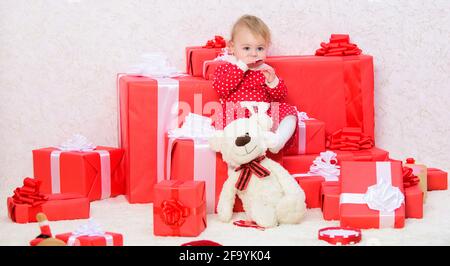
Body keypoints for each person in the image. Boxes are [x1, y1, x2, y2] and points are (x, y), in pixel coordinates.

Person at [212, 14, 297, 154]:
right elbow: (221, 88)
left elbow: (280, 96)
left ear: (267, 48)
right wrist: (241, 67)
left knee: (289, 111)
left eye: (260, 48)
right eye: (246, 48)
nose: (253, 54)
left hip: (264, 115)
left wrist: (272, 81)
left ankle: (277, 141)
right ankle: (233, 141)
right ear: (232, 47)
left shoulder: (266, 69)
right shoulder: (228, 68)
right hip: (238, 113)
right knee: (225, 117)